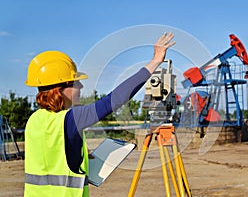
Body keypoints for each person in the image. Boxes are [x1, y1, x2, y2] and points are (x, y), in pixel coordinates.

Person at [24, 32, 175, 197]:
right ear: (59, 90)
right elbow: (116, 98)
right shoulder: (72, 119)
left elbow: (48, 159)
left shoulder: (33, 120)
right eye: (75, 82)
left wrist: (76, 156)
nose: (81, 86)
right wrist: (155, 61)